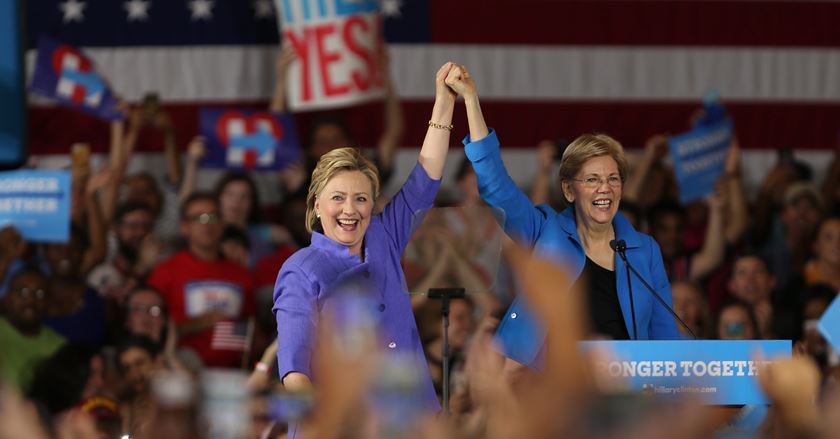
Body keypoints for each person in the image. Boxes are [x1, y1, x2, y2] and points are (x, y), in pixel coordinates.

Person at [453, 65, 679, 374]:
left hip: (623, 394)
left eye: (613, 179)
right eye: (593, 180)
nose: (605, 188)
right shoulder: (544, 230)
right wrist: (470, 100)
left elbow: (665, 336)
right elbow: (496, 186)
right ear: (569, 191)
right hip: (546, 389)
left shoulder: (645, 250)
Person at [272, 62, 459, 417]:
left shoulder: (382, 235)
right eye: (338, 197)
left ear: (373, 204)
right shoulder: (301, 270)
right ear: (316, 204)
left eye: (361, 198)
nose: (350, 209)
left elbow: (425, 180)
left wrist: (444, 101)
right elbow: (295, 371)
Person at [148, 192, 255, 368]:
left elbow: (251, 326)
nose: (207, 224)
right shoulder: (165, 271)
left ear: (222, 224)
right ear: (184, 226)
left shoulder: (241, 274)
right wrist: (197, 325)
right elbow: (153, 329)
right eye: (199, 218)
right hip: (181, 370)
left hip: (233, 374)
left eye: (212, 217)